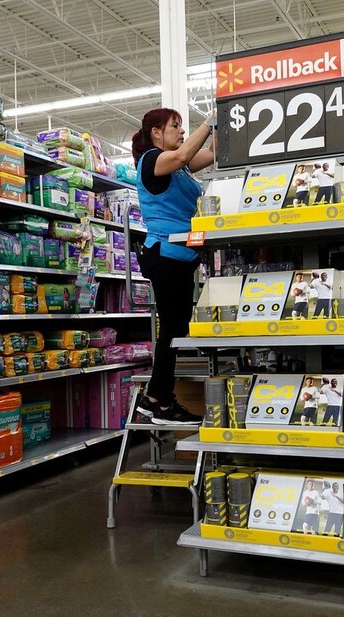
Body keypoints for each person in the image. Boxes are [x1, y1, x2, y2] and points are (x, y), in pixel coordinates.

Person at [132, 107, 215, 424]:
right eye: (175, 126)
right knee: (171, 330)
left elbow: (209, 154)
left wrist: (221, 122)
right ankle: (158, 400)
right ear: (156, 132)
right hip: (165, 256)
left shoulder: (180, 168)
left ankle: (156, 399)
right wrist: (207, 122)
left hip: (182, 259)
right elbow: (182, 156)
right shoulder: (153, 160)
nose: (181, 131)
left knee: (176, 329)